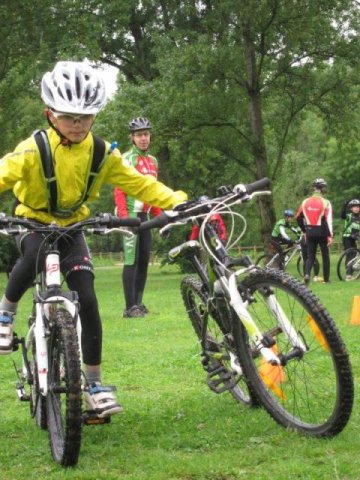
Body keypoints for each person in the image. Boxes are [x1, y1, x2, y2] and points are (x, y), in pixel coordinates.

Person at [0, 61, 187, 417]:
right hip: (34, 221)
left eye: (86, 117)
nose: (77, 124)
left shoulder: (102, 153)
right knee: (35, 253)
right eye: (68, 116)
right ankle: (6, 312)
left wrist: (176, 199)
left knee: (87, 297)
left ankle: (96, 383)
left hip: (73, 227)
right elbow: (2, 173)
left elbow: (140, 184)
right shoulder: (32, 149)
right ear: (50, 114)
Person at [113, 117, 162, 318]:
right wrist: (125, 218)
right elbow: (119, 188)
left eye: (146, 134)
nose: (143, 138)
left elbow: (155, 191)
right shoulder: (127, 158)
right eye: (139, 135)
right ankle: (129, 306)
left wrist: (160, 220)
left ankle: (139, 303)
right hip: (131, 215)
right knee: (131, 260)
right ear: (132, 137)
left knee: (143, 260)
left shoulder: (153, 161)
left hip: (146, 215)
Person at [296, 178, 333, 284]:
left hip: (310, 232)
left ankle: (307, 274)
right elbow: (328, 220)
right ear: (323, 189)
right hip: (322, 232)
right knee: (325, 256)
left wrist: (304, 229)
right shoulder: (326, 202)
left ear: (314, 188)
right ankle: (326, 279)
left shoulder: (305, 202)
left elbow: (298, 217)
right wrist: (330, 236)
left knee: (310, 256)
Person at [340, 198, 360, 280]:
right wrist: (344, 205)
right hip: (347, 237)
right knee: (349, 254)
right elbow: (342, 216)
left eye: (358, 207)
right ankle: (348, 274)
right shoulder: (349, 216)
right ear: (351, 208)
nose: (356, 208)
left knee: (354, 255)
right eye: (354, 207)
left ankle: (351, 271)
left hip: (355, 238)